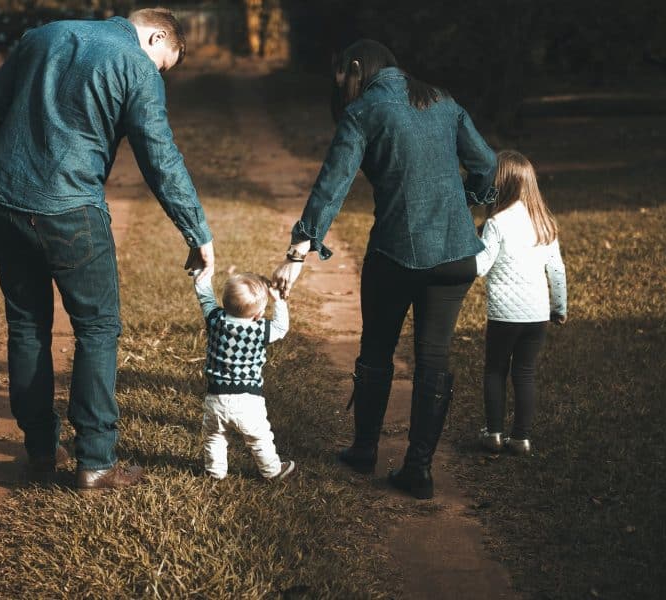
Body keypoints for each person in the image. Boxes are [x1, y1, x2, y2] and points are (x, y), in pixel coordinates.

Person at [0, 8, 215, 490]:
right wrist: (197, 232)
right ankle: (97, 460)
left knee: (26, 325)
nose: (159, 74)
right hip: (71, 211)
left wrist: (2, 174)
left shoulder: (41, 35)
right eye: (164, 64)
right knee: (98, 328)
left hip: (2, 202)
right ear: (156, 35)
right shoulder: (136, 66)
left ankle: (41, 452)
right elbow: (160, 158)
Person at [272, 39, 497, 499]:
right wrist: (467, 202)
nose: (343, 89)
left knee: (376, 351)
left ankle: (364, 450)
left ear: (357, 68)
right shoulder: (443, 100)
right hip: (456, 257)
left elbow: (330, 188)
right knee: (434, 357)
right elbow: (488, 166)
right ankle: (419, 469)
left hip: (395, 256)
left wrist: (297, 256)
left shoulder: (364, 112)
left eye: (343, 78)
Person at [475, 150, 567, 456]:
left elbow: (480, 267)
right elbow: (556, 270)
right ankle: (522, 439)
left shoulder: (497, 223)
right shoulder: (544, 223)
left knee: (495, 371)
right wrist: (559, 308)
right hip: (537, 314)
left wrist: (468, 246)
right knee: (525, 372)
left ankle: (494, 434)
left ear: (500, 184)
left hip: (504, 315)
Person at [193, 271, 295, 480]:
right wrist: (279, 301)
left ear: (225, 302)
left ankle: (215, 472)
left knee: (214, 436)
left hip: (216, 398)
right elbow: (281, 327)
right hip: (248, 401)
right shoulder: (260, 329)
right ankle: (272, 471)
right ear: (257, 314)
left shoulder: (215, 320)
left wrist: (201, 275)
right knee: (259, 438)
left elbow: (205, 297)